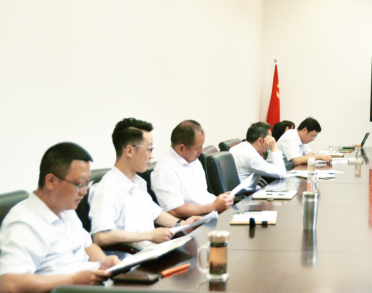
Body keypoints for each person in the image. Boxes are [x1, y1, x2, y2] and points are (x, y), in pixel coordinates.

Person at [0, 142, 120, 293]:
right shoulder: (23, 223)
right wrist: (73, 280)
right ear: (51, 181)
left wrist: (103, 262)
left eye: (87, 183)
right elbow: (9, 284)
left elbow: (88, 246)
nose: (84, 192)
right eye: (79, 184)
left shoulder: (66, 209)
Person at [89, 118, 200, 247]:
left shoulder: (137, 182)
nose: (152, 156)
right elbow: (101, 236)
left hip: (153, 252)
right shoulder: (108, 188)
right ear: (129, 151)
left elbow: (156, 214)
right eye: (149, 149)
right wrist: (150, 235)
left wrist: (182, 224)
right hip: (133, 257)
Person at [151, 120, 233, 219]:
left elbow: (202, 196)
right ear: (182, 148)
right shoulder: (165, 169)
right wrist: (214, 207)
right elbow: (175, 210)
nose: (201, 151)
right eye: (198, 148)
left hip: (210, 213)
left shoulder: (194, 160)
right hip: (196, 221)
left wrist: (221, 201)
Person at [231, 121, 288, 191]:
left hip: (243, 190)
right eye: (269, 139)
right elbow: (282, 174)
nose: (270, 142)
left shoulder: (241, 146)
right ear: (260, 140)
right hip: (246, 194)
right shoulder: (252, 156)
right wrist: (274, 147)